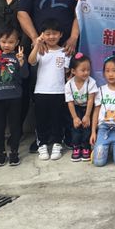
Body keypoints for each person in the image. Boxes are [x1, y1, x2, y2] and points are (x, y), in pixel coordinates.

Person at [0, 27, 28, 167]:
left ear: (17, 42)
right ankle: (1, 153)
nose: (6, 45)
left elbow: (25, 75)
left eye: (11, 42)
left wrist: (22, 63)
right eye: (3, 42)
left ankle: (14, 152)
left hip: (15, 96)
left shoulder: (18, 57)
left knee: (15, 126)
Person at [28, 19, 68, 161]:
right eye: (48, 33)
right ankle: (42, 144)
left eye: (55, 33)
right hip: (41, 91)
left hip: (59, 91)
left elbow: (67, 72)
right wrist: (37, 44)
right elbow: (31, 61)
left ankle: (57, 143)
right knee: (41, 120)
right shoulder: (41, 50)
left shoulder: (64, 52)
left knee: (58, 119)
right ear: (42, 35)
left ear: (61, 34)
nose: (51, 36)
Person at [63, 53, 97, 163]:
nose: (86, 72)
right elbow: (70, 102)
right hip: (75, 108)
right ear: (73, 71)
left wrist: (87, 115)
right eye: (83, 70)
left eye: (88, 70)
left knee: (87, 127)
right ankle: (76, 147)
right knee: (76, 127)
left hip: (88, 107)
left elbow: (91, 100)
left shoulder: (91, 82)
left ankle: (86, 147)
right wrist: (74, 117)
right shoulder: (69, 85)